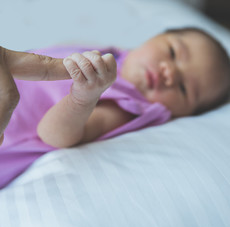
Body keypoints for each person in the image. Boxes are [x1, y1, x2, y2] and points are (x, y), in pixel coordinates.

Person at [0, 27, 230, 188]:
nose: (169, 73)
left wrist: (82, 98)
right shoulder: (113, 55)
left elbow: (52, 136)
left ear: (182, 114)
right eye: (172, 53)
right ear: (155, 37)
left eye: (183, 88)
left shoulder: (129, 107)